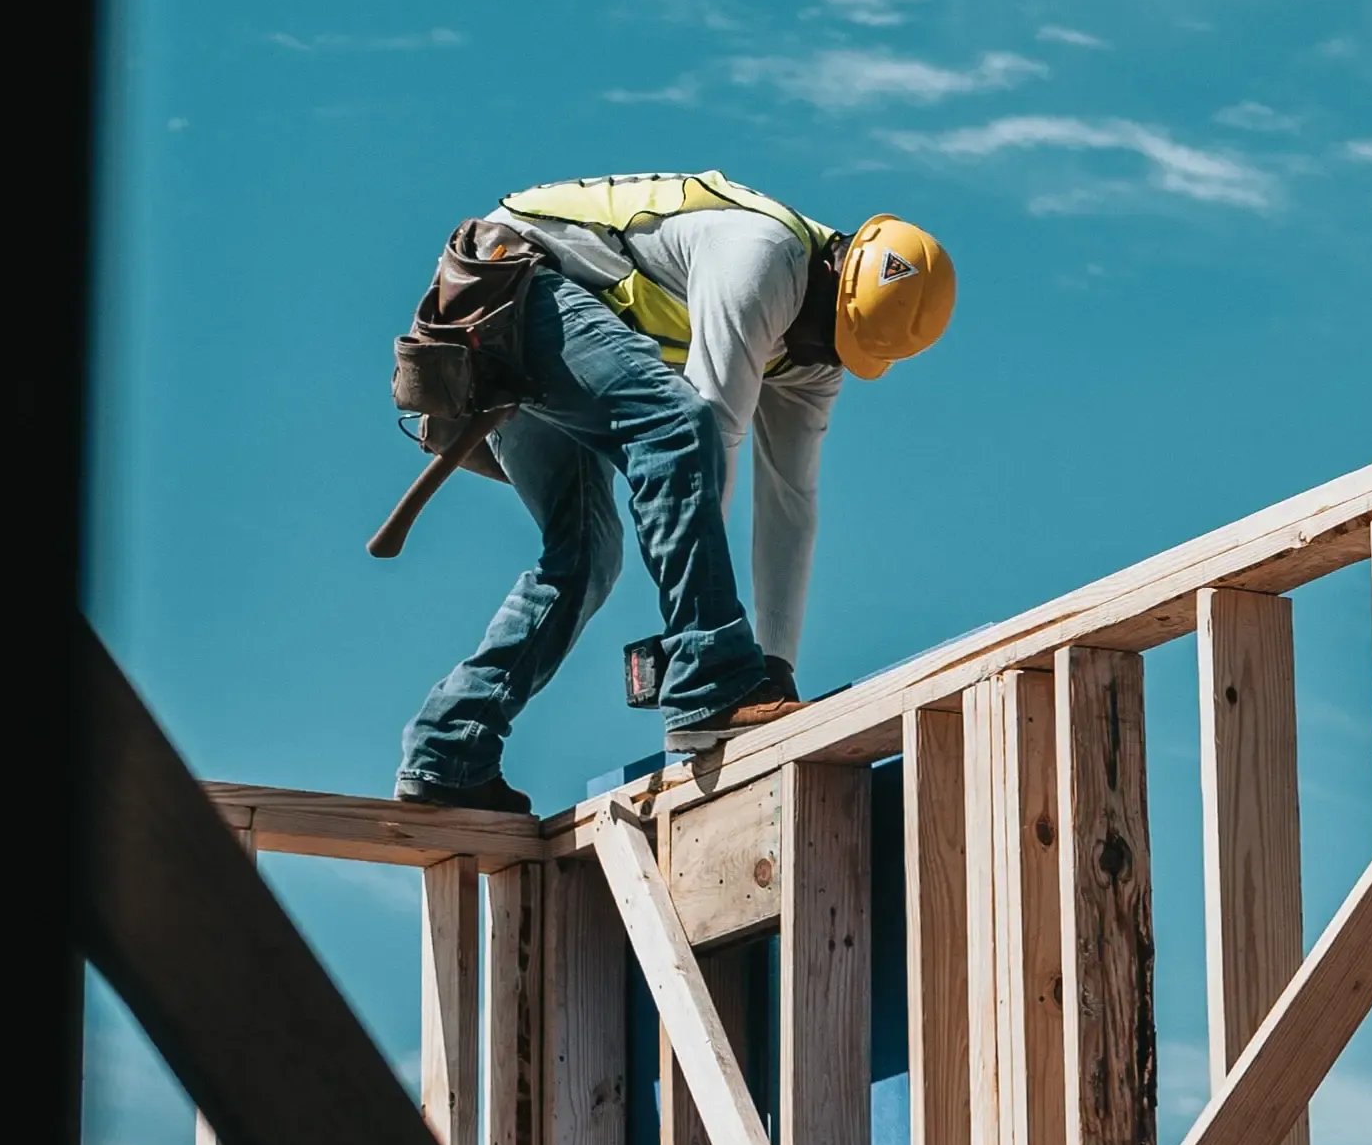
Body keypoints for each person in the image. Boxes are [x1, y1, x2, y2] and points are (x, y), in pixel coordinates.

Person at [395, 170, 953, 812]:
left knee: (585, 557)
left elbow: (789, 508)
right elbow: (706, 435)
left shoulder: (813, 357)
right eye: (823, 334)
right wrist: (714, 662)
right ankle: (710, 677)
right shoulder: (763, 256)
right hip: (506, 287)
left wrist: (776, 666)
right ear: (833, 272)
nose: (814, 356)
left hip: (542, 328)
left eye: (837, 350)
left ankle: (448, 751)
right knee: (677, 424)